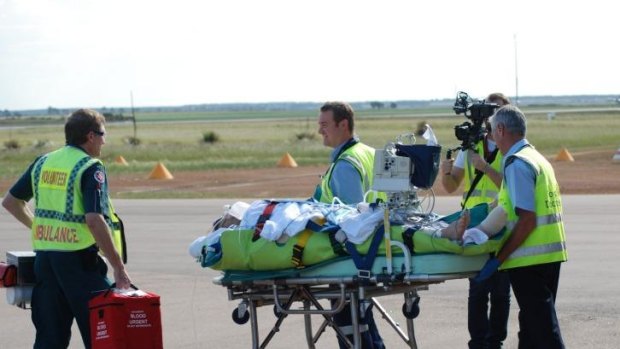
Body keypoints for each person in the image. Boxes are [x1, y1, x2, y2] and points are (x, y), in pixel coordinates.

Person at [2, 108, 131, 349]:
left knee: (50, 340)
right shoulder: (90, 167)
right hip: (79, 263)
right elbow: (94, 220)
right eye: (103, 134)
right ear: (90, 136)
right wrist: (119, 268)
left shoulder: (43, 162)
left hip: (45, 262)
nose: (105, 140)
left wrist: (39, 228)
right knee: (102, 336)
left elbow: (11, 202)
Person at [476, 105, 567, 348]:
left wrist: (499, 258)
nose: (490, 137)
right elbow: (511, 207)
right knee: (530, 331)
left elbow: (527, 219)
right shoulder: (537, 158)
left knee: (545, 333)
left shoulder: (516, 163)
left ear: (502, 130)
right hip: (549, 256)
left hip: (529, 261)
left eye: (492, 131)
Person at [440, 93, 512, 349]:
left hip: (502, 222)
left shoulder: (512, 149)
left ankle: (495, 342)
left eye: (500, 111)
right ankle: (478, 343)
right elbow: (451, 186)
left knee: (501, 291)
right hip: (473, 222)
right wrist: (445, 170)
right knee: (478, 289)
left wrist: (485, 168)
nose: (494, 118)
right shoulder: (471, 146)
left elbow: (514, 186)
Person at [312, 101, 384, 348]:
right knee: (364, 323)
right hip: (370, 251)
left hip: (348, 258)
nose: (320, 131)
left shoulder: (345, 164)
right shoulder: (367, 152)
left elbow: (352, 217)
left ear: (343, 124)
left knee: (350, 327)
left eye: (324, 125)